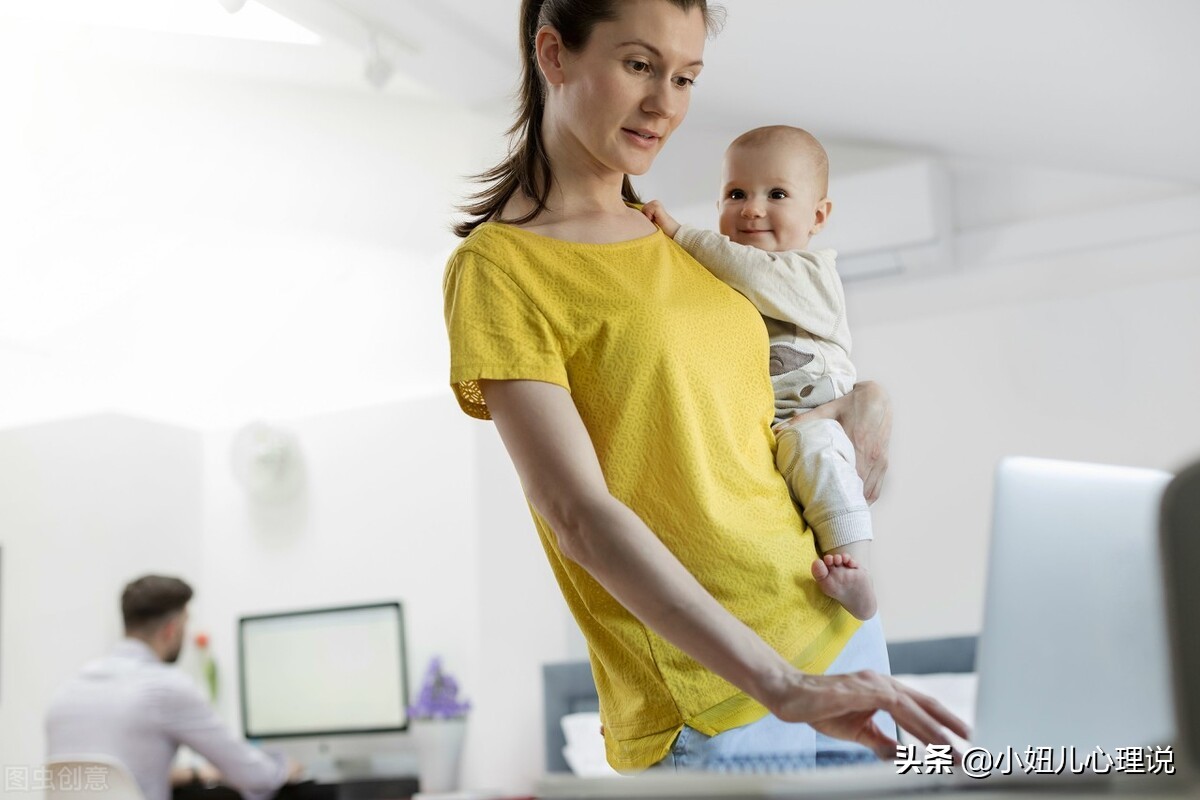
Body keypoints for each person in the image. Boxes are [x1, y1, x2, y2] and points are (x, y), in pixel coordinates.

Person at [442, 0, 968, 772]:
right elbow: (577, 517)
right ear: (553, 54)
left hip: (836, 629)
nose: (666, 105)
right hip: (721, 697)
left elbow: (769, 401)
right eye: (638, 65)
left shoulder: (684, 244)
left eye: (685, 76)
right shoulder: (501, 269)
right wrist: (778, 683)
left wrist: (868, 405)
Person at [641, 125, 878, 622]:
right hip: (768, 437)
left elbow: (751, 271)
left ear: (818, 216)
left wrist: (681, 235)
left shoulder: (812, 274)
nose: (751, 208)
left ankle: (859, 569)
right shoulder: (716, 284)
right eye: (736, 193)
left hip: (818, 419)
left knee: (815, 451)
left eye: (776, 194)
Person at [45, 575, 314, 800]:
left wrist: (193, 774)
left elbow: (116, 776)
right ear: (171, 630)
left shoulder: (68, 691)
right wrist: (282, 768)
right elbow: (253, 775)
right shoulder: (166, 687)